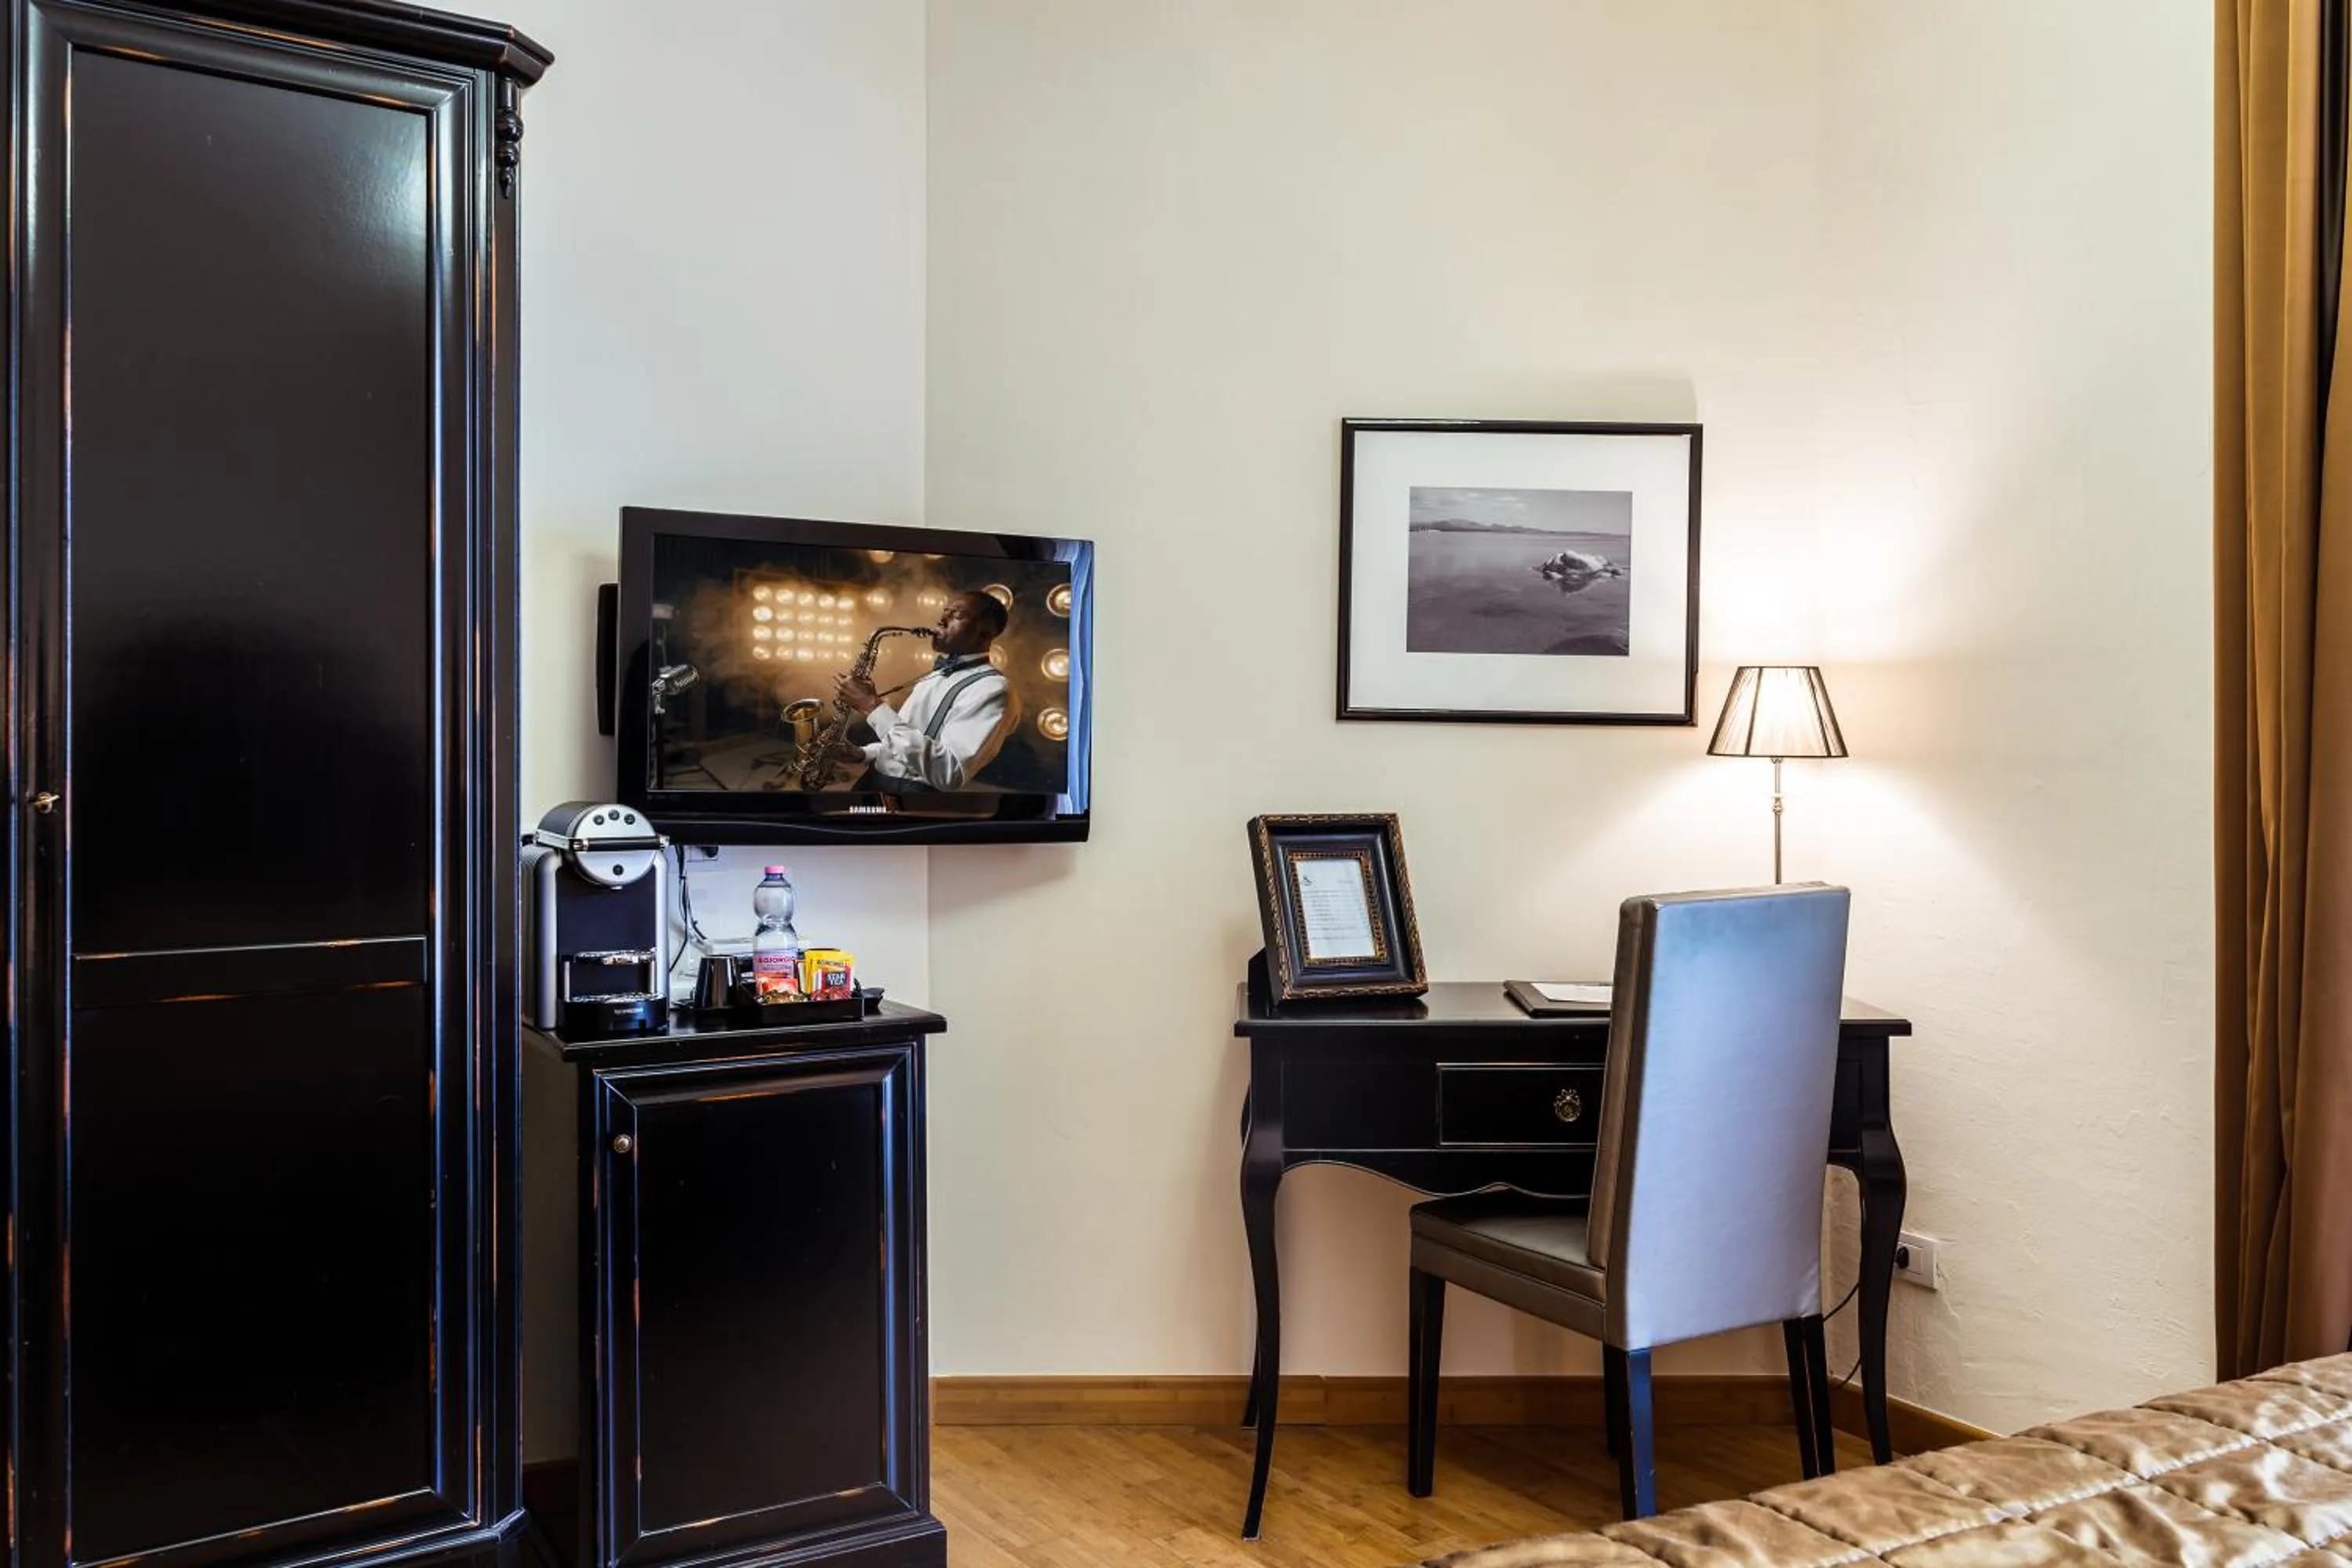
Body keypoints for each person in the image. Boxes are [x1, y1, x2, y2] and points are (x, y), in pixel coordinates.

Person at [829, 590, 1019, 792]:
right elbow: (912, 739)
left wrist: (872, 706)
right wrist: (863, 754)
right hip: (871, 782)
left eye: (956, 615)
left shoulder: (994, 690)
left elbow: (948, 772)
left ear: (986, 631)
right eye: (944, 612)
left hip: (907, 798)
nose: (941, 620)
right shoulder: (935, 675)